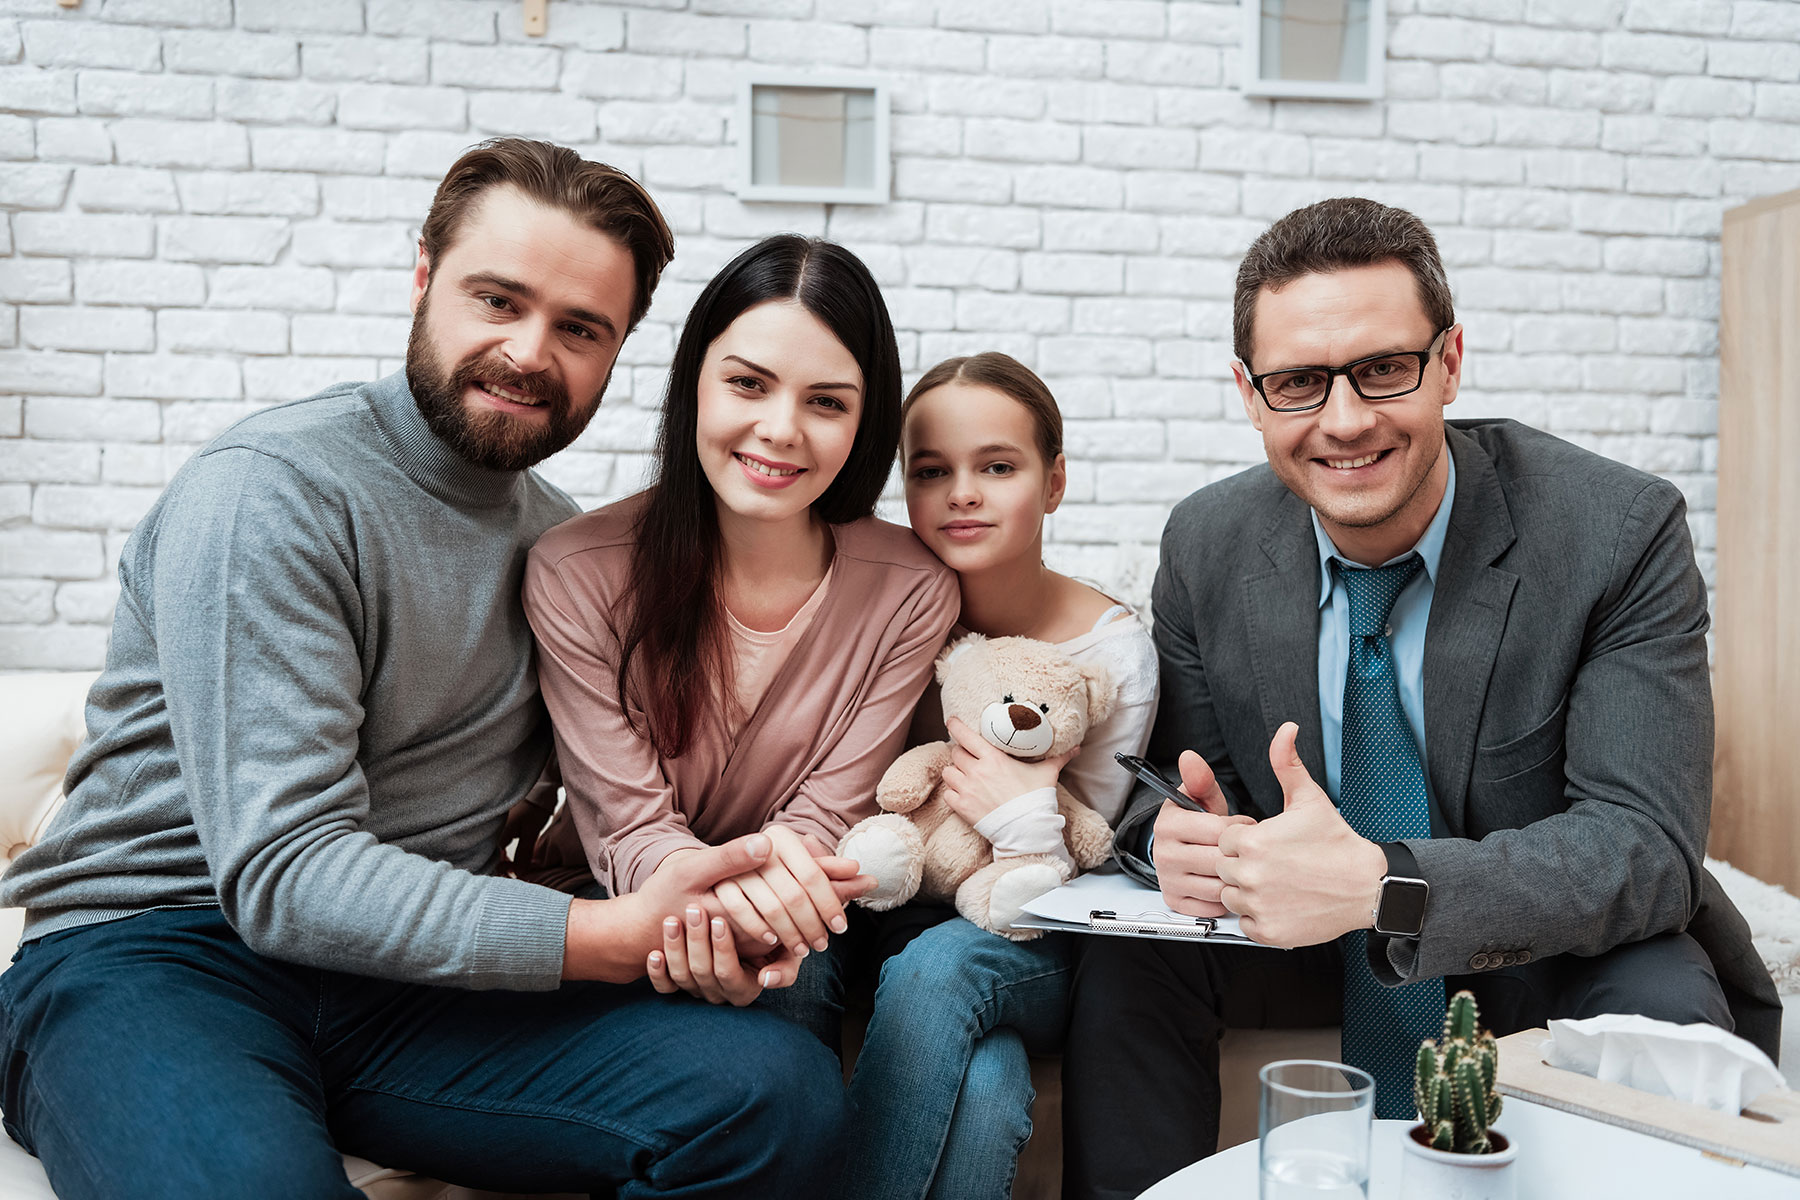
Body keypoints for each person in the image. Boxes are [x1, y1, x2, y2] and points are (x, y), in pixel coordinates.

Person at [0, 139, 855, 1200]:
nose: (529, 352)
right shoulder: (272, 493)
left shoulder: (568, 552)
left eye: (580, 329)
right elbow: (285, 873)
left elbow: (618, 799)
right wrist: (608, 937)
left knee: (777, 1097)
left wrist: (707, 906)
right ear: (422, 277)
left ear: (618, 351)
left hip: (403, 989)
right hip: (159, 955)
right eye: (498, 300)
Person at [1060, 196, 1782, 1200]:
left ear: (1449, 362)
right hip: (1306, 939)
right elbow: (1174, 788)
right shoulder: (1206, 545)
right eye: (1300, 384)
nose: (1346, 420)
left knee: (1659, 990)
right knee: (1133, 972)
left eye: (1383, 370)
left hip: (1541, 937)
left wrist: (1381, 886)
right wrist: (1171, 840)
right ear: (1250, 393)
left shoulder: (1617, 531)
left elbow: (1644, 848)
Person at [516, 235, 961, 1049]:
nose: (781, 429)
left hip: (798, 908)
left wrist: (743, 921)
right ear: (695, 384)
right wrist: (707, 918)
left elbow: (826, 819)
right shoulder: (576, 571)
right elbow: (627, 828)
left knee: (800, 977)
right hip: (614, 903)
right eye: (748, 384)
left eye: (827, 402)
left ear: (865, 422)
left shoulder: (911, 590)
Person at [837, 353, 1160, 1200]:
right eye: (932, 471)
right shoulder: (891, 611)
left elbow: (1085, 855)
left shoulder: (1111, 654)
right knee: (984, 1089)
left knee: (942, 970)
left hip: (1036, 929)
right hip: (893, 910)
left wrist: (1020, 815)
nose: (962, 494)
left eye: (997, 467)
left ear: (1053, 483)